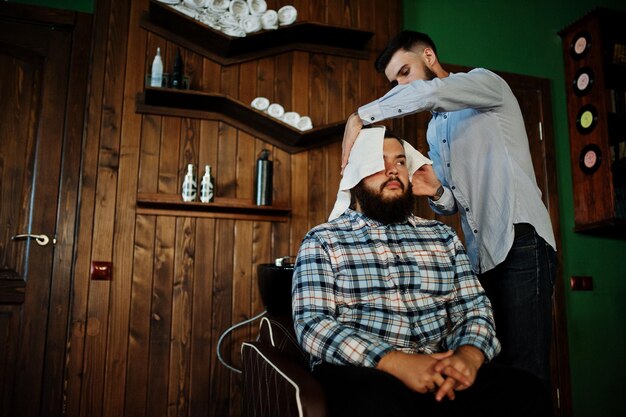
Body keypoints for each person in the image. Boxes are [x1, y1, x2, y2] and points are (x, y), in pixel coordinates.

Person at [340, 30, 557, 386]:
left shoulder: (485, 85)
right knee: (492, 367)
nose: (400, 88)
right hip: (480, 256)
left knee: (526, 370)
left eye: (404, 74)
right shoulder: (434, 130)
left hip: (521, 240)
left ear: (428, 56)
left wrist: (361, 116)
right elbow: (453, 204)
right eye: (394, 82)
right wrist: (436, 190)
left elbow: (435, 91)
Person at [292, 127, 553, 417]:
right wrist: (395, 362)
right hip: (366, 373)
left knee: (527, 392)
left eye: (401, 162)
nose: (393, 171)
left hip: (443, 369)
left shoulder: (442, 236)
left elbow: (474, 308)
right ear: (356, 173)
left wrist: (468, 356)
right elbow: (312, 324)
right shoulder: (323, 240)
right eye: (379, 162)